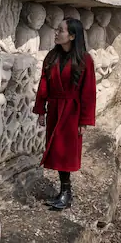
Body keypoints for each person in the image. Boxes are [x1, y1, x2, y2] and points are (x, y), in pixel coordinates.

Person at [32, 17, 97, 210]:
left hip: (72, 113)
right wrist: (41, 110)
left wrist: (84, 121)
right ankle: (64, 193)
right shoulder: (52, 56)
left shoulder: (85, 60)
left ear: (72, 36)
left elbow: (89, 92)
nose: (56, 32)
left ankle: (66, 193)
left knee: (66, 153)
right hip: (55, 109)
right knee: (56, 150)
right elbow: (43, 85)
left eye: (61, 30)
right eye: (57, 29)